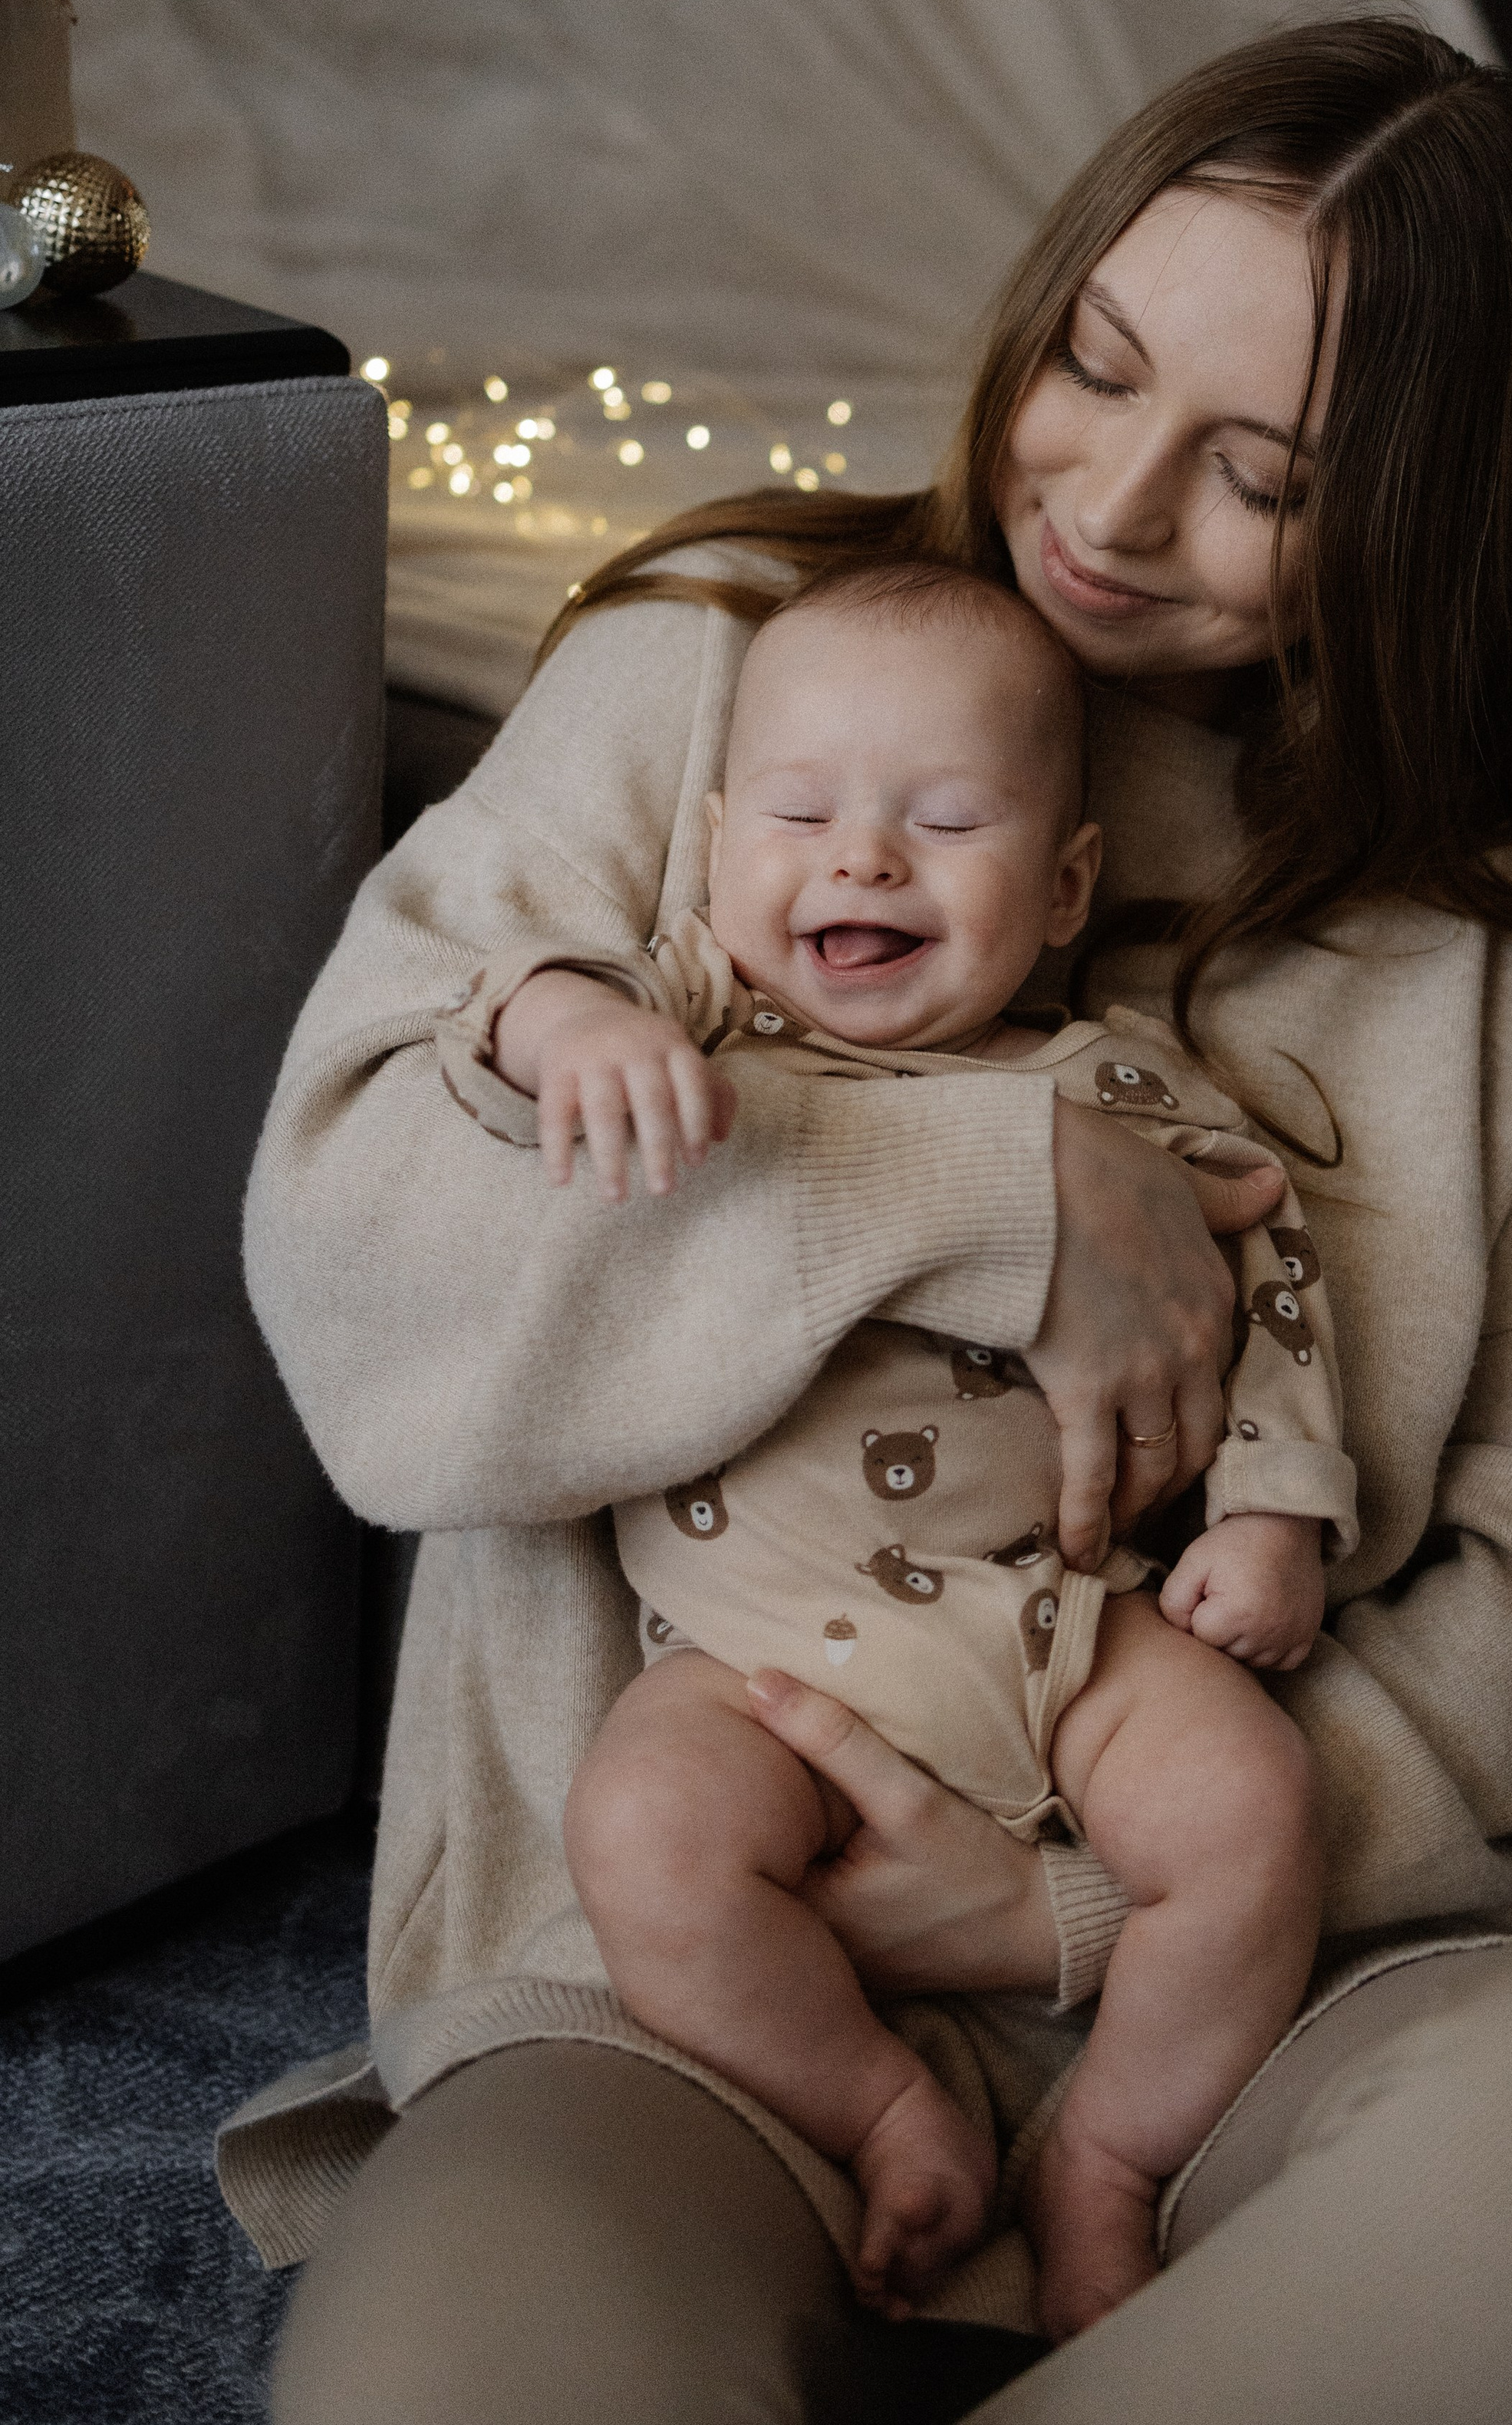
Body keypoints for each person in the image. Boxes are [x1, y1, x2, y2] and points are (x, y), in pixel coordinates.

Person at [241, 16, 1512, 2423]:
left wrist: (1081, 1903)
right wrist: (984, 1179)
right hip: (676, 1985)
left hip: (1266, 1989)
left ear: (1420, 517)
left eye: (1262, 476)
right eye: (1093, 364)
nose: (1103, 502)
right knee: (437, 2378)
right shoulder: (712, 678)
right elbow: (365, 1294)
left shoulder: (1503, 961)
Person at [463, 559, 1350, 2334]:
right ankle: (881, 2103)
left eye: (943, 822)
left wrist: (1273, 1513)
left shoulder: (1122, 1085)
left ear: (1064, 887)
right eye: (799, 812)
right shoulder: (697, 1026)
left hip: (1064, 1622)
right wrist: (563, 1020)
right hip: (752, 1660)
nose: (860, 857)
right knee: (641, 1833)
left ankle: (1104, 2156)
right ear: (718, 849)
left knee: (1253, 1814)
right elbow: (499, 1029)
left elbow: (1266, 1275)